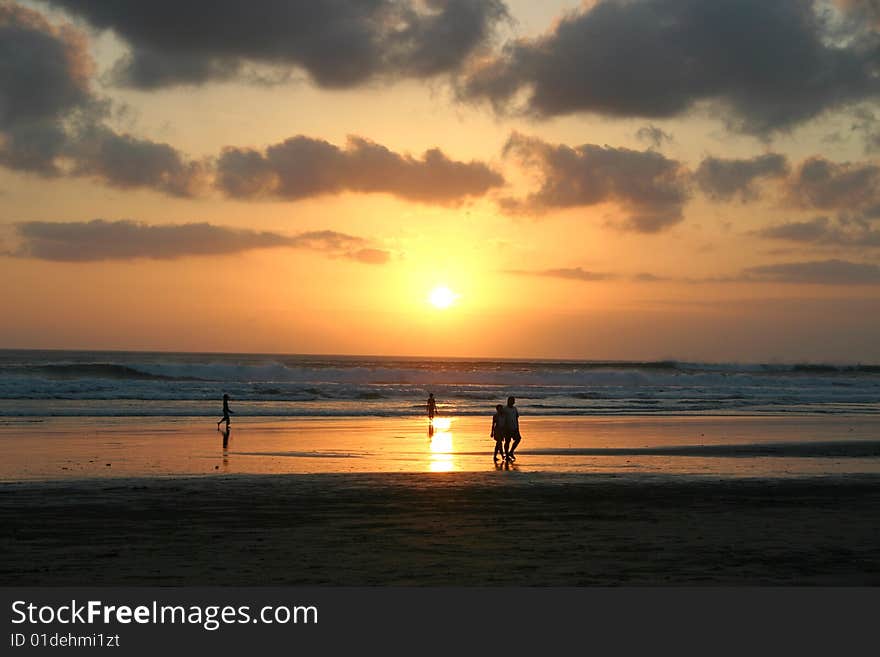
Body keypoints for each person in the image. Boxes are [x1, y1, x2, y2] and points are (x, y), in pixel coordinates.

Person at [503, 396, 521, 461]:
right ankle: (507, 455)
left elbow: (516, 418)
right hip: (507, 428)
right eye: (511, 400)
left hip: (514, 427)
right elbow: (502, 419)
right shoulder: (505, 409)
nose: (513, 402)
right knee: (507, 442)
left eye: (513, 401)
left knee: (518, 439)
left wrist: (518, 427)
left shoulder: (514, 409)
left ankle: (511, 451)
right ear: (508, 401)